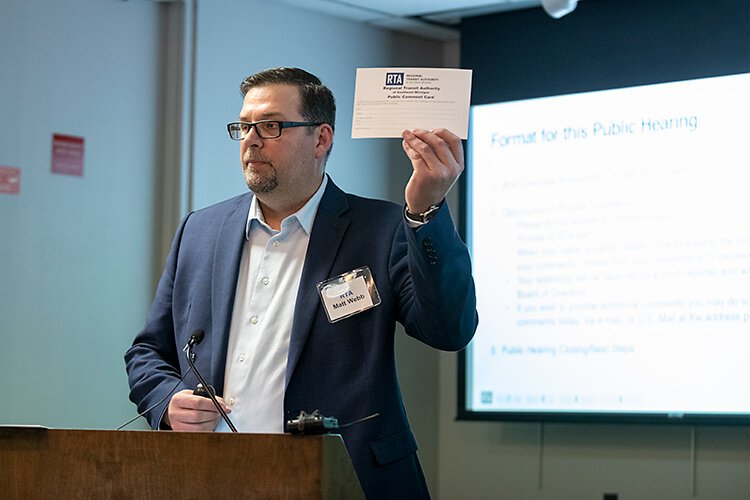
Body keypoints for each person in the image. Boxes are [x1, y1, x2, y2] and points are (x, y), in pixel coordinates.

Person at [125, 67, 477, 499]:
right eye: (244, 127)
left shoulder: (380, 229)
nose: (251, 139)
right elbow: (147, 352)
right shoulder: (200, 231)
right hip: (213, 478)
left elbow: (449, 329)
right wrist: (167, 403)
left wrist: (425, 211)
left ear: (321, 139)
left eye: (270, 126)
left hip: (342, 479)